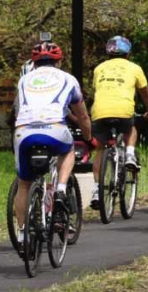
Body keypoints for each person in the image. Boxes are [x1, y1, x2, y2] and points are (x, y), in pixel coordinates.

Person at [12, 41, 93, 234]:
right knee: (69, 149)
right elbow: (82, 116)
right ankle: (61, 189)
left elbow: (17, 110)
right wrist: (89, 138)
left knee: (23, 185)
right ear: (59, 61)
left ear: (34, 62)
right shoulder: (69, 79)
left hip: (24, 131)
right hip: (55, 129)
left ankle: (22, 234)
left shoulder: (24, 80)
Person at [89, 35, 148, 210]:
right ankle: (130, 154)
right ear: (128, 53)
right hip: (123, 110)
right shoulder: (135, 68)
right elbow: (146, 95)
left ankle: (96, 190)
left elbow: (98, 90)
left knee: (100, 149)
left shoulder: (99, 68)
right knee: (131, 127)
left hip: (99, 112)